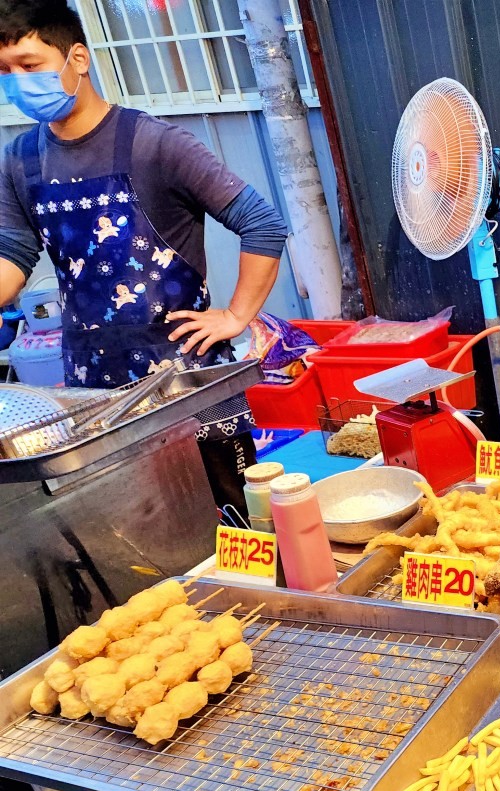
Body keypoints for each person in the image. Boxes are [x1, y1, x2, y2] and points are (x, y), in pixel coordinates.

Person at [0, 1, 288, 512]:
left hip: (189, 387)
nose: (18, 83)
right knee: (144, 544)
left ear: (78, 59)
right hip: (96, 399)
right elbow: (13, 257)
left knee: (245, 532)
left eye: (29, 65)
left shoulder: (153, 143)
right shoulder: (19, 159)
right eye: (4, 72)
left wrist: (236, 315)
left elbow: (261, 223)